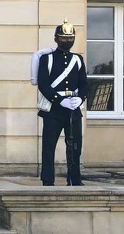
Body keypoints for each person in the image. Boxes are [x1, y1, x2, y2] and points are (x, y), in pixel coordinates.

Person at [37, 19, 88, 186]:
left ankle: (74, 179)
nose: (68, 41)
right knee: (49, 145)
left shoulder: (78, 59)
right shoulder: (47, 59)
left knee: (75, 146)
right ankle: (47, 180)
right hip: (53, 108)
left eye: (70, 38)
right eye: (64, 38)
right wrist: (60, 101)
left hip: (73, 108)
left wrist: (80, 98)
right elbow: (43, 85)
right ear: (56, 39)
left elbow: (84, 84)